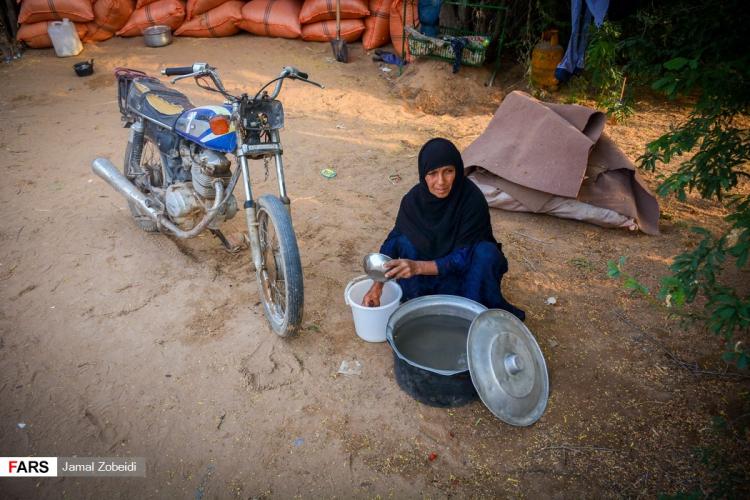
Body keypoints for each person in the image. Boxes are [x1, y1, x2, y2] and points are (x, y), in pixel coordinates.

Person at [362, 138, 525, 321]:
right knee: (404, 241)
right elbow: (394, 241)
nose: (441, 182)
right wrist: (376, 287)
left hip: (465, 277)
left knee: (486, 253)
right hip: (425, 278)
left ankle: (473, 314)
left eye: (448, 171)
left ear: (457, 169)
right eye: (433, 173)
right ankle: (420, 306)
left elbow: (465, 257)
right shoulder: (413, 201)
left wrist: (417, 267)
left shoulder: (471, 200)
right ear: (423, 174)